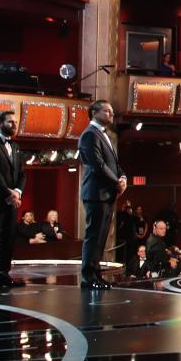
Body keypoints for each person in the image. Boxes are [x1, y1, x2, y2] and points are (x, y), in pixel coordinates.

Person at [77, 100, 127, 290]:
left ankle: (95, 274)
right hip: (96, 193)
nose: (111, 114)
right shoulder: (90, 134)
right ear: (94, 113)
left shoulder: (103, 135)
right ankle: (88, 277)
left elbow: (113, 163)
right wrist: (116, 183)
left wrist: (123, 177)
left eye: (112, 111)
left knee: (101, 238)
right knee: (93, 236)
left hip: (106, 193)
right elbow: (97, 165)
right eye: (107, 111)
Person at [0, 111, 25, 288]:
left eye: (15, 122)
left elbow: (21, 173)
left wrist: (18, 192)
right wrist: (8, 193)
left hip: (12, 200)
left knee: (7, 238)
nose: (14, 125)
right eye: (10, 122)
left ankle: (2, 275)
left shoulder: (16, 146)